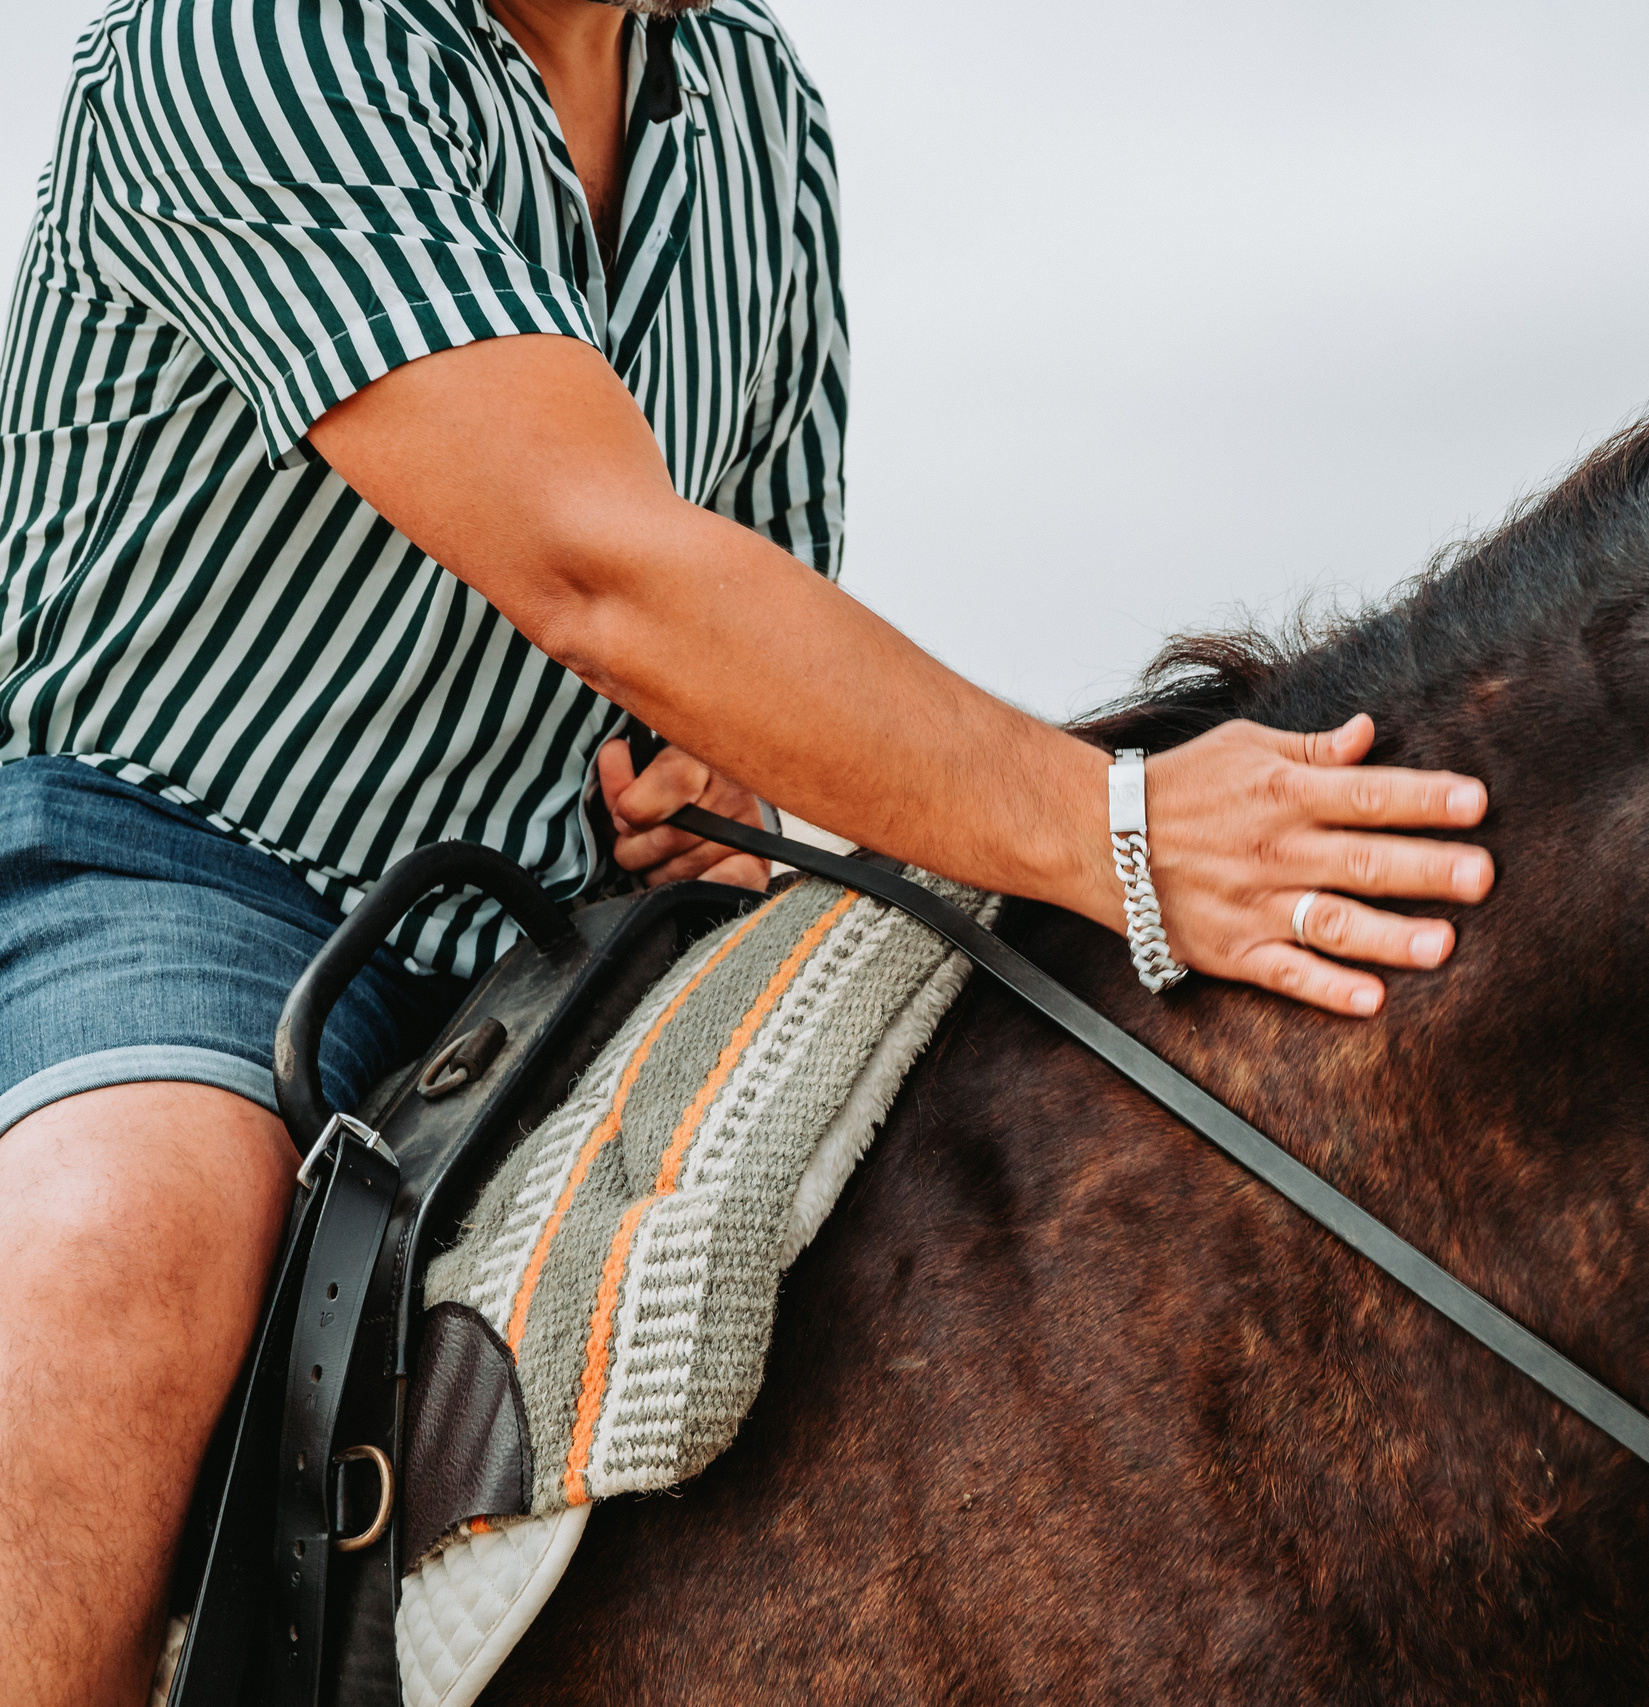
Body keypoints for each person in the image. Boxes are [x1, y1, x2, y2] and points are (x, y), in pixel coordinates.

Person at [0, 0, 1494, 1697]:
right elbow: (605, 568)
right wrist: (1118, 827)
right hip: (172, 860)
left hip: (561, 920)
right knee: (118, 1245)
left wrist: (714, 779)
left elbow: (739, 590)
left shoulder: (749, 107)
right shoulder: (251, 44)